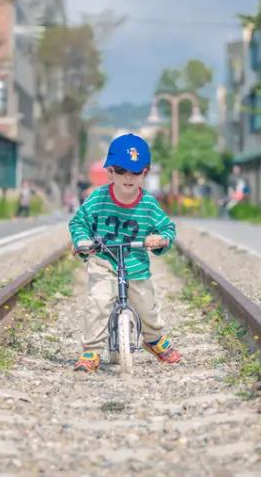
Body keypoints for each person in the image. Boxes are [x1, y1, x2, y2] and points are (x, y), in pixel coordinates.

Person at [68, 133, 182, 372]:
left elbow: (167, 228)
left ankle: (152, 339)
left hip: (136, 265)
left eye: (136, 172)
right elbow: (79, 222)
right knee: (98, 302)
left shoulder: (148, 204)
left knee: (147, 307)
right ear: (110, 171)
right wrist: (82, 240)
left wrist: (160, 239)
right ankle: (92, 350)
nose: (128, 177)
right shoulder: (98, 198)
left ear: (145, 173)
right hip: (104, 261)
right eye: (120, 171)